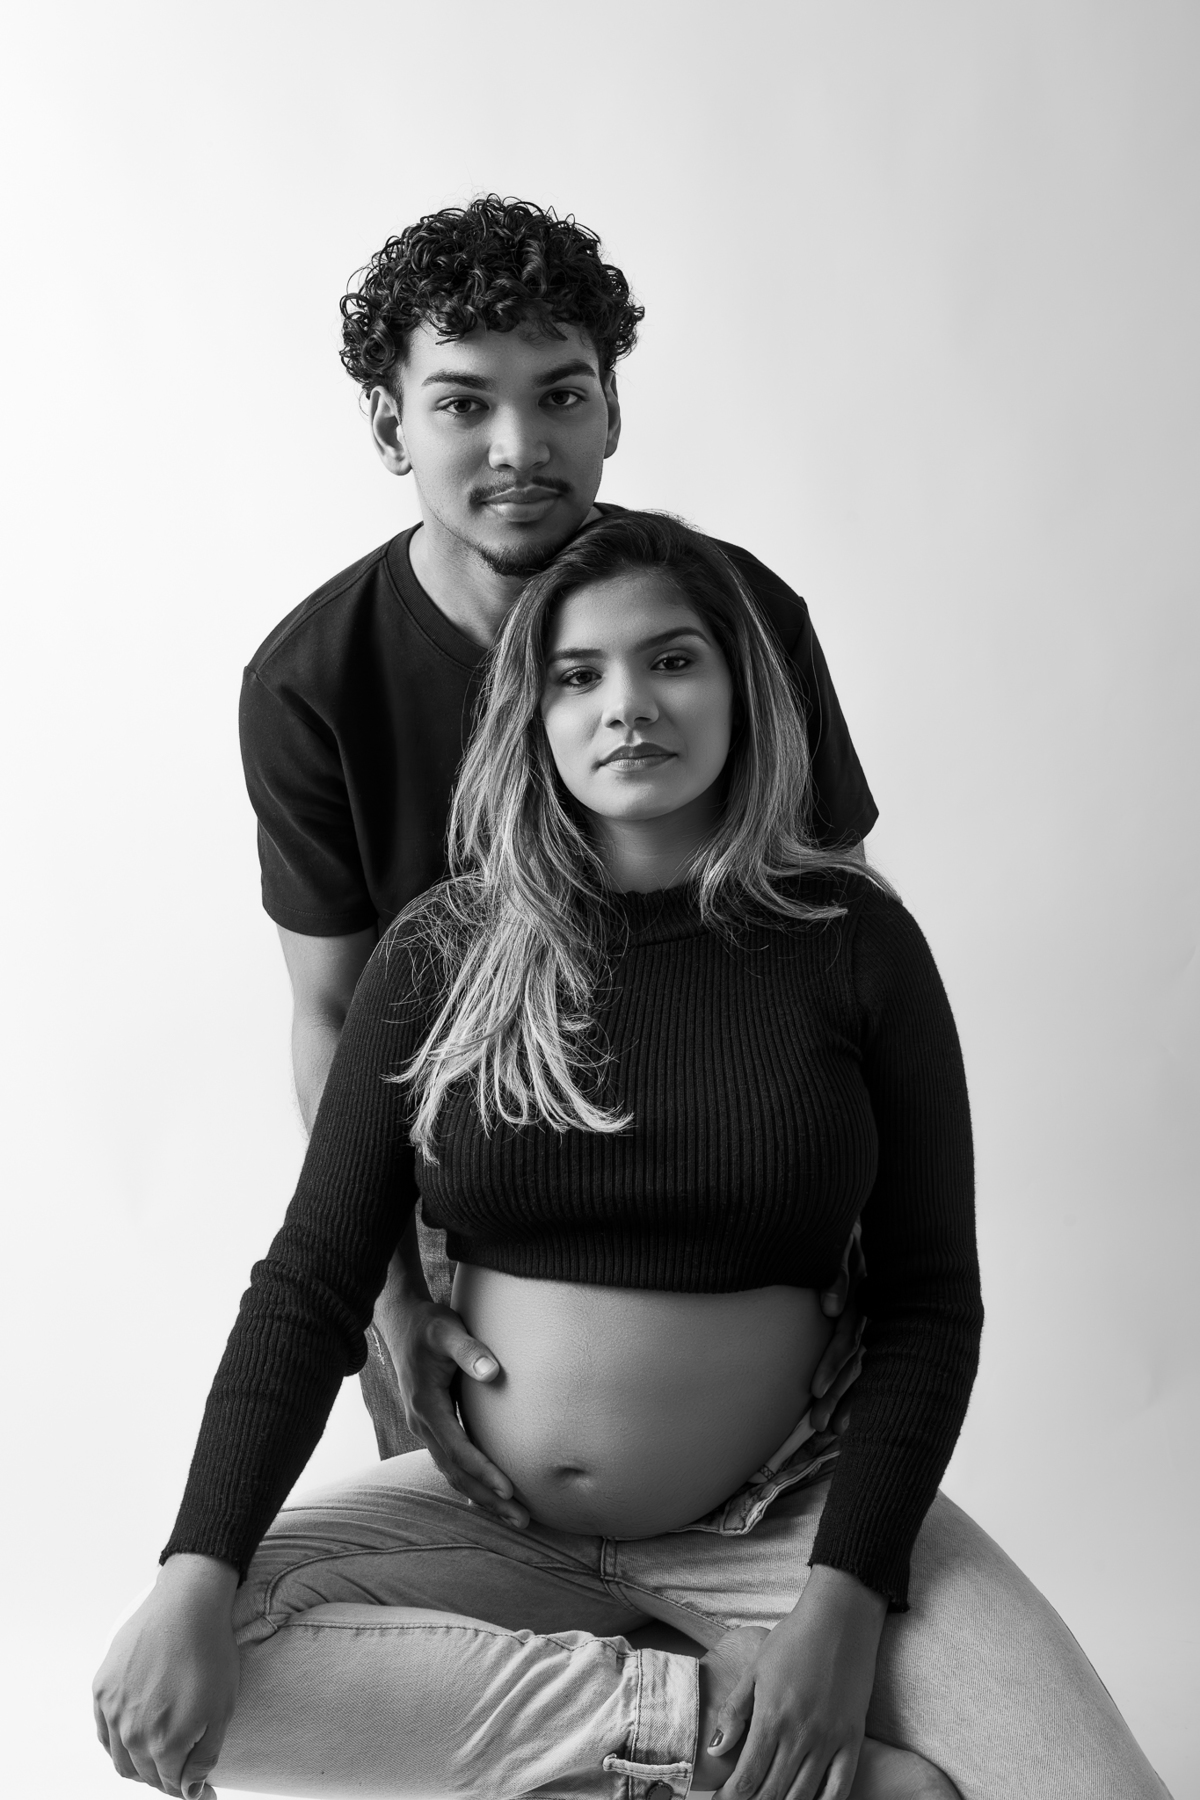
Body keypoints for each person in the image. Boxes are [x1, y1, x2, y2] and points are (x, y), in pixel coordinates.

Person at [94, 513, 1171, 1800]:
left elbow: (931, 1302)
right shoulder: (443, 949)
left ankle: (722, 1706)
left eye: (672, 661)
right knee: (196, 1653)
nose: (628, 706)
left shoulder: (853, 942)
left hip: (793, 1523)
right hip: (493, 1523)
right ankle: (701, 1728)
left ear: (740, 689)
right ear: (534, 716)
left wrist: (841, 1602)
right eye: (578, 675)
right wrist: (194, 1566)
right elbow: (310, 1281)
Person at [239, 194, 878, 1462]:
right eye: (464, 403)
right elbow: (331, 1013)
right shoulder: (312, 682)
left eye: (562, 396)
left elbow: (839, 936)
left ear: (612, 411)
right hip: (470, 1208)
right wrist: (390, 1297)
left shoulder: (740, 618)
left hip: (743, 1172)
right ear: (391, 425)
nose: (519, 446)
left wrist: (863, 1237)